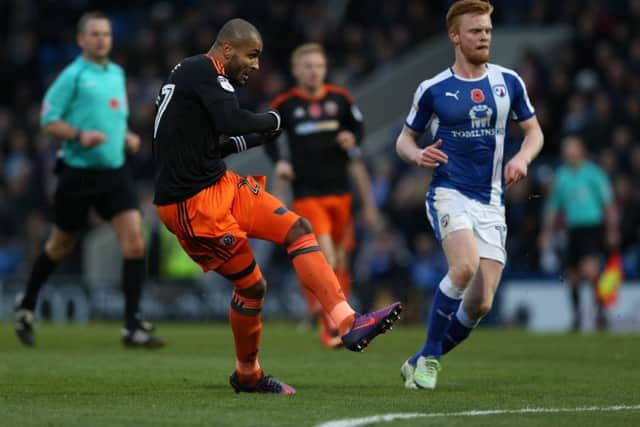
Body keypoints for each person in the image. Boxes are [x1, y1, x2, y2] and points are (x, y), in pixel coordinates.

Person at [152, 18, 402, 395]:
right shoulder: (205, 69)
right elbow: (230, 120)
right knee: (252, 287)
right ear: (227, 50)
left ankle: (347, 322)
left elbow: (209, 143)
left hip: (219, 184)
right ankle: (247, 374)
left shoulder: (191, 76)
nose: (256, 64)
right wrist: (273, 120)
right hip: (192, 205)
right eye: (251, 55)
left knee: (298, 228)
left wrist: (256, 135)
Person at [395, 0, 544, 390]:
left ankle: (419, 358)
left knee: (480, 303)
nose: (484, 37)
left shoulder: (508, 81)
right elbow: (404, 140)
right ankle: (429, 363)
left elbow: (534, 132)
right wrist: (417, 155)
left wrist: (523, 159)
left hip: (491, 200)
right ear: (455, 36)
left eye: (488, 30)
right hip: (449, 192)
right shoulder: (432, 89)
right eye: (476, 31)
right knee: (463, 267)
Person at [14, 11, 164, 349]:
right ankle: (26, 304)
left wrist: (125, 136)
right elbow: (48, 121)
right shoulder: (72, 76)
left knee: (134, 242)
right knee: (60, 245)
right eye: (94, 34)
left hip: (114, 171)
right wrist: (79, 135)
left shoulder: (116, 73)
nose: (101, 40)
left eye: (106, 34)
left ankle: (132, 325)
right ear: (81, 40)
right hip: (78, 174)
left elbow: (110, 116)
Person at [266, 43, 379, 348]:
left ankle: (328, 311)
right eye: (308, 65)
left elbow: (358, 129)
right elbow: (269, 137)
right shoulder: (285, 104)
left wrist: (351, 137)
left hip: (340, 194)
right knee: (325, 255)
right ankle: (333, 326)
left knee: (340, 259)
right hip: (307, 194)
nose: (314, 71)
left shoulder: (340, 100)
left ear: (325, 69)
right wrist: (281, 162)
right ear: (296, 70)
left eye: (318, 65)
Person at [539, 135, 618, 331]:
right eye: (566, 149)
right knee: (572, 276)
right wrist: (546, 234)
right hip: (572, 230)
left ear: (581, 150)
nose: (569, 152)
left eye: (572, 148)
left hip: (592, 228)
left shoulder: (593, 173)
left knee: (590, 272)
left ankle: (601, 313)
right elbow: (552, 208)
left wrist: (612, 230)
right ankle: (577, 317)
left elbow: (608, 204)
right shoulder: (562, 176)